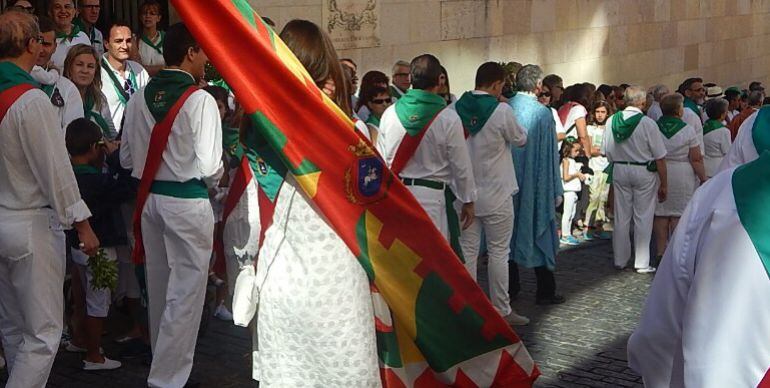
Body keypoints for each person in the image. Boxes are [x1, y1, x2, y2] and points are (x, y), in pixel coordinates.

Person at [252, 19, 380, 386]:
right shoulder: (353, 134)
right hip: (338, 287)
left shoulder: (260, 133)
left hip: (283, 280)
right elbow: (374, 204)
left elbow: (250, 212)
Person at [120, 22, 223, 387]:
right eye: (204, 49)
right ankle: (167, 378)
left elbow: (128, 160)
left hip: (150, 202)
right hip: (188, 199)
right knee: (186, 294)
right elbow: (212, 167)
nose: (208, 57)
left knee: (160, 288)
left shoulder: (137, 98)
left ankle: (160, 368)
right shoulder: (201, 99)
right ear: (191, 52)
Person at [0, 10, 99, 388]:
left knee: (13, 327)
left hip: (4, 218)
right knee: (42, 335)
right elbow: (55, 169)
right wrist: (84, 224)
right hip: (30, 223)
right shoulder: (31, 101)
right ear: (31, 45)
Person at [628, 152, 770, 388]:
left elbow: (658, 337)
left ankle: (632, 257)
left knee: (639, 218)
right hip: (681, 175)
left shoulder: (722, 191)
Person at [451, 61, 529, 326]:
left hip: (464, 194)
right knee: (498, 252)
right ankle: (501, 308)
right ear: (497, 84)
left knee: (468, 252)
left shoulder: (454, 108)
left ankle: (469, 308)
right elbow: (521, 138)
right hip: (497, 191)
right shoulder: (502, 111)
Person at [377, 54, 477, 259]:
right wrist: (468, 199)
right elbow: (461, 164)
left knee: (402, 261)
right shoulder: (448, 117)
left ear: (411, 80)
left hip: (399, 195)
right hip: (432, 197)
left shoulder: (390, 113)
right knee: (432, 265)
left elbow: (381, 158)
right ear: (439, 80)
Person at [65, 118, 132, 371]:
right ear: (95, 147)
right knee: (98, 302)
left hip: (76, 246)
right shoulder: (100, 182)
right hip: (99, 249)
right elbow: (127, 187)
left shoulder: (67, 179)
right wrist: (116, 158)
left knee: (81, 295)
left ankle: (79, 339)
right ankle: (94, 356)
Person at [507, 64, 565, 305]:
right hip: (535, 182)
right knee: (540, 229)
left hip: (507, 180)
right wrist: (555, 188)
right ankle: (545, 289)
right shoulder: (542, 114)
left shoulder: (505, 108)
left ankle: (510, 287)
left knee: (506, 237)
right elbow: (551, 155)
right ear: (538, 86)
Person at [602, 85, 668, 273]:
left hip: (620, 169)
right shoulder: (647, 123)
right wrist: (664, 183)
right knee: (643, 216)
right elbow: (660, 156)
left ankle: (620, 259)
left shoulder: (611, 121)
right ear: (641, 102)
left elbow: (605, 150)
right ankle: (641, 261)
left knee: (621, 216)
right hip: (643, 171)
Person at [652, 93, 705, 265]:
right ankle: (674, 252)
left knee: (660, 214)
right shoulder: (687, 129)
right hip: (682, 173)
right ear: (678, 110)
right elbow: (695, 158)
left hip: (660, 171)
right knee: (677, 214)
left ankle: (660, 250)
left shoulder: (653, 127)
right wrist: (703, 177)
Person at [30, 16, 84, 131]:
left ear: (55, 47)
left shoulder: (67, 89)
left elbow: (72, 136)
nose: (41, 50)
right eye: (37, 43)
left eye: (46, 44)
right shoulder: (13, 80)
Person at [101, 22, 150, 132]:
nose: (124, 46)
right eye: (118, 41)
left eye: (128, 41)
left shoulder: (139, 70)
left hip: (137, 138)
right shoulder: (96, 72)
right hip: (110, 143)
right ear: (106, 44)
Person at [64, 44, 117, 139]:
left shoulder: (99, 98)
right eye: (79, 65)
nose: (85, 70)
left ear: (96, 71)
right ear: (69, 67)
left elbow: (111, 133)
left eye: (90, 66)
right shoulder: (60, 97)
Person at [583, 100, 613, 240]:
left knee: (603, 197)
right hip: (594, 166)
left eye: (603, 112)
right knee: (593, 196)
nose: (600, 115)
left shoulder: (610, 128)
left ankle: (599, 224)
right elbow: (590, 148)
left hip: (606, 166)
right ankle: (588, 224)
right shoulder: (589, 128)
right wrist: (602, 151)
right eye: (597, 112)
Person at [49, 0, 90, 68]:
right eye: (57, 7)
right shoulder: (46, 40)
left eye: (67, 7)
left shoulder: (83, 36)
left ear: (74, 12)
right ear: (50, 13)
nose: (63, 11)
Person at [560, 140, 586, 246]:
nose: (578, 153)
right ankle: (565, 235)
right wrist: (577, 174)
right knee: (567, 213)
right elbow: (566, 177)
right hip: (568, 191)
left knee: (571, 213)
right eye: (576, 150)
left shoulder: (572, 161)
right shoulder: (566, 161)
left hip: (574, 191)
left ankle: (568, 233)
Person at [557, 83, 592, 153]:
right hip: (567, 149)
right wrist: (588, 155)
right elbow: (583, 136)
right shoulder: (579, 109)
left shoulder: (564, 107)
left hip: (558, 147)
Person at [702, 98, 732, 178]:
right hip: (718, 168)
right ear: (722, 114)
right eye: (726, 111)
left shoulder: (703, 127)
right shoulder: (723, 131)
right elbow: (728, 153)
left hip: (705, 167)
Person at [138, 0, 166, 77]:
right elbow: (136, 68)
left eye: (152, 13)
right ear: (140, 17)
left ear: (159, 18)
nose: (148, 16)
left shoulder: (166, 38)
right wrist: (162, 68)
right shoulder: (135, 40)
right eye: (144, 13)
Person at [678, 77, 705, 147]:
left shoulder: (692, 106)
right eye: (698, 90)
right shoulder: (688, 110)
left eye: (703, 90)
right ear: (688, 93)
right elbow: (690, 137)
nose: (702, 93)